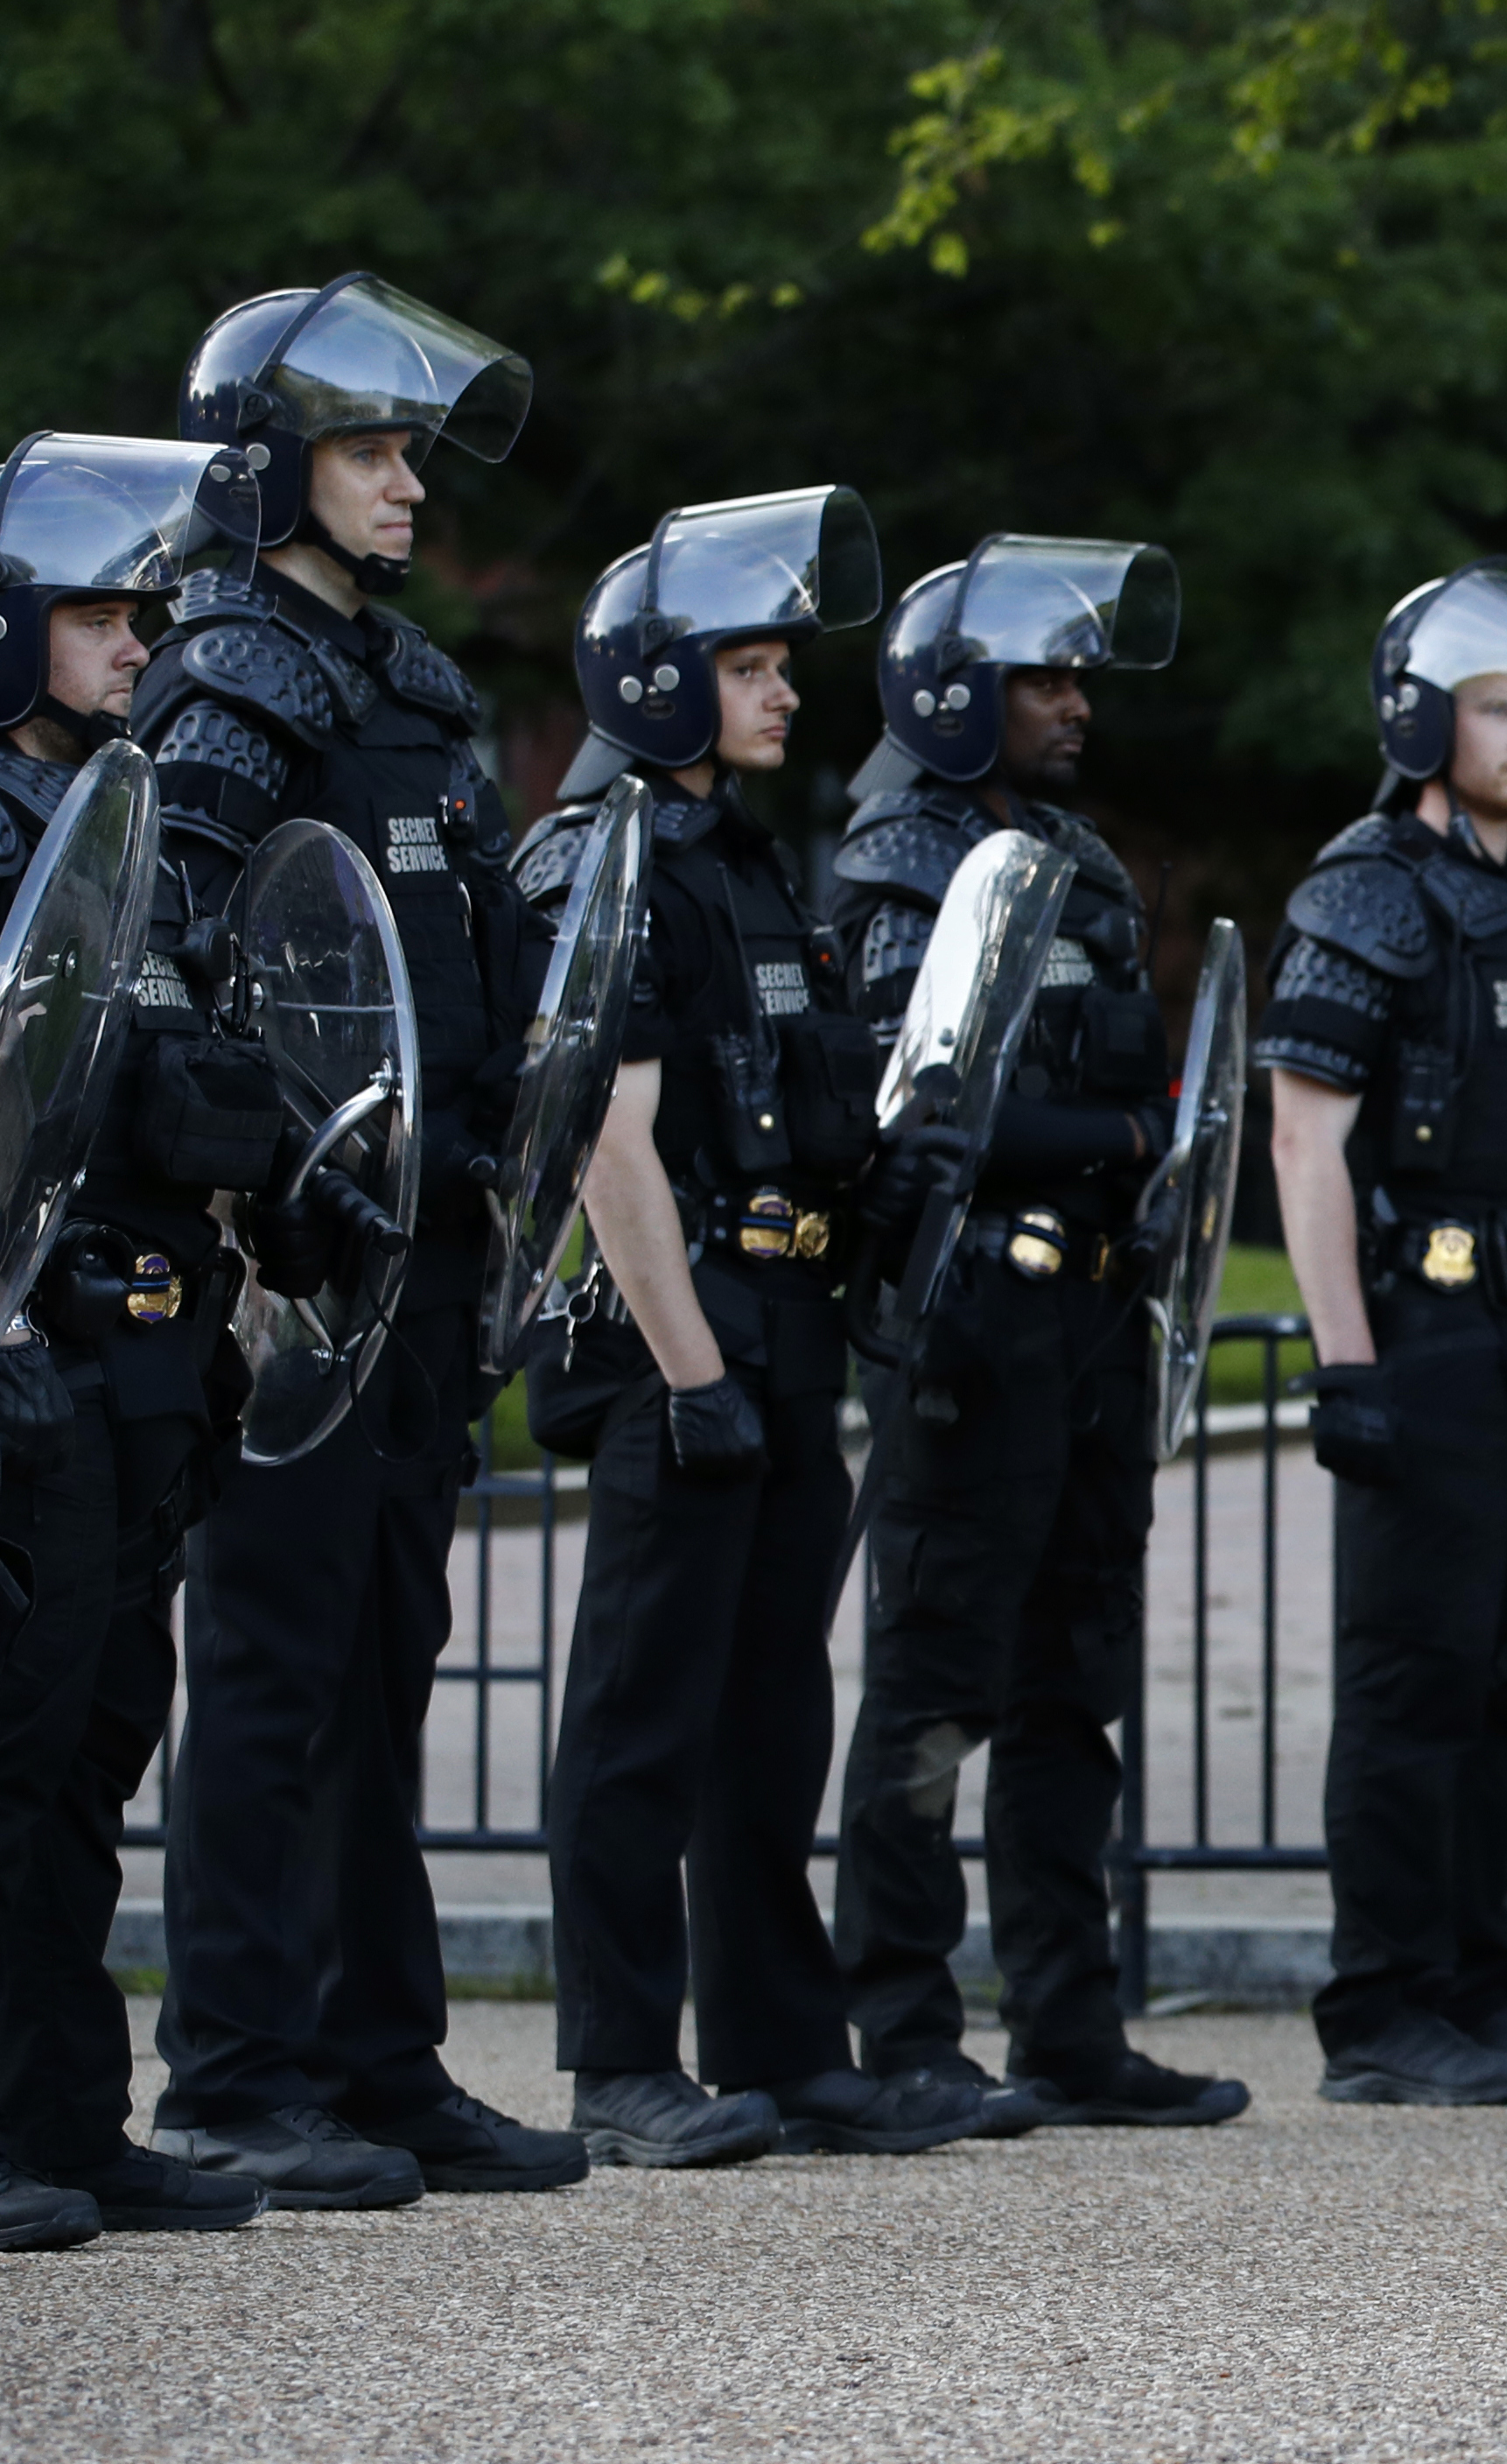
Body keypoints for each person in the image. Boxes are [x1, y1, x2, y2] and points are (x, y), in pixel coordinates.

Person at [131, 275, 591, 2211]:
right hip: (288, 1269)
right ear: (267, 469)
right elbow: (156, 967)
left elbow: (474, 960)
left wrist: (507, 1146)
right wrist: (269, 1195)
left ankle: (380, 2060)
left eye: (410, 453)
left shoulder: (405, 684)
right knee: (270, 1661)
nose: (407, 485)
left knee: (389, 1652)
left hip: (430, 1250)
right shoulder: (226, 676)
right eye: (370, 450)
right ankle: (237, 2070)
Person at [517, 489, 993, 2168]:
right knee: (643, 1715)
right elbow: (606, 1135)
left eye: (786, 663)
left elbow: (789, 1100)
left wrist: (886, 1157)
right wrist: (689, 1367)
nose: (786, 692)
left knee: (770, 1715)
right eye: (747, 663)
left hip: (783, 1320)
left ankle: (782, 2048)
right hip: (690, 1331)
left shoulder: (745, 863)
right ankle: (619, 2067)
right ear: (654, 679)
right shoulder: (610, 857)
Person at [822, 535, 1245, 2130]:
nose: (1075, 705)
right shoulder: (897, 867)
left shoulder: (1080, 861)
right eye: (1042, 679)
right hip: (971, 1320)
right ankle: (907, 2025)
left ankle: (1073, 2024)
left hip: (1091, 1320)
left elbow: (1135, 1092)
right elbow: (916, 1109)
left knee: (1077, 1683)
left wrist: (1131, 1157)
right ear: (951, 694)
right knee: (937, 1682)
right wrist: (1112, 1140)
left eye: (1078, 679)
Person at [1261, 557, 1507, 2106]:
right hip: (1420, 1331)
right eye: (1499, 707)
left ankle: (1480, 1989)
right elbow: (1302, 1144)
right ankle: (1381, 2008)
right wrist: (1344, 1359)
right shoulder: (1364, 886)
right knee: (1411, 1681)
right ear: (1423, 719)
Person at [0, 435, 284, 2246]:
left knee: (99, 1741)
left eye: (141, 605)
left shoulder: (134, 828)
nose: (137, 638)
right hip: (32, 1340)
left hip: (148, 1345)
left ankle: (71, 2120)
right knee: (11, 1751)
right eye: (100, 610)